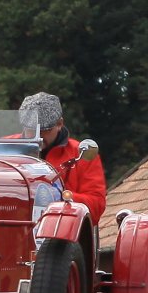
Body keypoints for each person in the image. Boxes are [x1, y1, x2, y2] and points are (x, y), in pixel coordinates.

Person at [19, 91, 105, 220]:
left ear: (59, 124)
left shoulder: (80, 153)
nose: (38, 136)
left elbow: (96, 204)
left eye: (45, 130)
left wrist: (62, 197)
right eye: (32, 129)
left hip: (60, 225)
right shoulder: (3, 148)